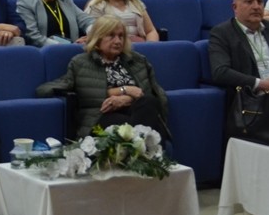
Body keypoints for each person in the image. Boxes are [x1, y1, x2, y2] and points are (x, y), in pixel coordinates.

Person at [38, 16, 171, 140]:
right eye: (111, 36)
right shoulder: (81, 63)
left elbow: (150, 93)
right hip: (101, 117)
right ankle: (143, 153)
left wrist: (126, 99)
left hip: (137, 112)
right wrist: (124, 90)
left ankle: (140, 151)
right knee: (121, 124)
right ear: (98, 38)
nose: (118, 41)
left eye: (121, 36)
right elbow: (48, 90)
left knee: (148, 102)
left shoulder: (137, 61)